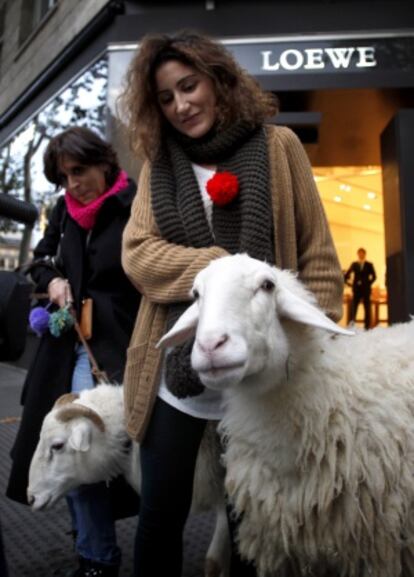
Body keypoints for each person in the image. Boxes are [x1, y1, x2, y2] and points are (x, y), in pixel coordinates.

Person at [119, 30, 344, 577]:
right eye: (166, 98)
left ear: (218, 81)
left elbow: (317, 256)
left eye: (189, 86)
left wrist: (315, 348)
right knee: (160, 513)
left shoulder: (279, 146)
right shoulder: (159, 166)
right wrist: (221, 272)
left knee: (253, 520)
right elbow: (138, 253)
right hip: (178, 372)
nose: (180, 105)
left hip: (266, 376)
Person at [6, 127, 141, 577]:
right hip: (64, 347)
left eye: (78, 171)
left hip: (116, 346)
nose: (72, 185)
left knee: (79, 450)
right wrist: (52, 281)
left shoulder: (137, 204)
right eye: (63, 178)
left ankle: (98, 558)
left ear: (104, 162)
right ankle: (93, 553)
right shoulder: (63, 210)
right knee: (62, 451)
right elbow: (40, 259)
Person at [344, 247, 376, 329]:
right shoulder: (354, 264)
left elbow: (374, 276)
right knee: (354, 307)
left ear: (365, 254)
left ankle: (367, 327)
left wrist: (368, 283)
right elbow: (347, 275)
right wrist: (351, 284)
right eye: (359, 253)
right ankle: (352, 326)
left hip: (366, 289)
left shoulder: (369, 264)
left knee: (367, 307)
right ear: (357, 254)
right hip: (357, 289)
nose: (361, 255)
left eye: (362, 253)